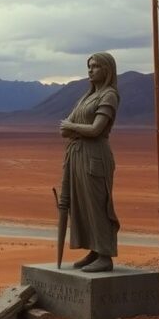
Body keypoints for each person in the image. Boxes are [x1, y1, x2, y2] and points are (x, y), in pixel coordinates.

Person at [58, 52, 121, 272]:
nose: (90, 70)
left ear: (107, 69)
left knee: (97, 205)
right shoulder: (87, 97)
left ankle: (105, 255)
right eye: (89, 66)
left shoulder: (109, 95)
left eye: (95, 66)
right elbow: (65, 128)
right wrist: (73, 128)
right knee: (82, 205)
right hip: (77, 155)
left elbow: (95, 129)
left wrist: (73, 128)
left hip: (95, 156)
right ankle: (94, 250)